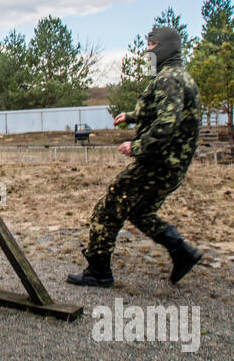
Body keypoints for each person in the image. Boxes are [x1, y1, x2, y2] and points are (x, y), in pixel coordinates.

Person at [68, 26, 203, 288]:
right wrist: (132, 116)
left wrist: (138, 146)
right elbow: (165, 110)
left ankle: (98, 271)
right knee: (140, 212)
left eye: (151, 46)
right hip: (173, 166)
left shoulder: (169, 79)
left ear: (164, 47)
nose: (147, 52)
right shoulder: (181, 77)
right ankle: (182, 251)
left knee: (108, 207)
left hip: (157, 164)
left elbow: (168, 122)